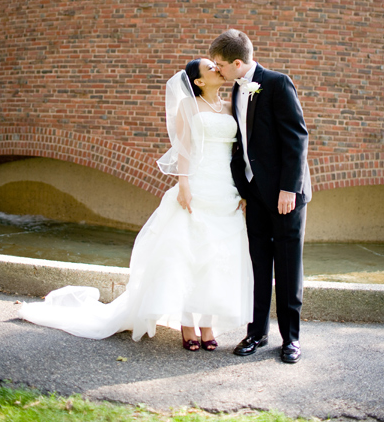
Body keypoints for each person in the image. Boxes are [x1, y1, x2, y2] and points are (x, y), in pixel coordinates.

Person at [19, 59, 253, 351]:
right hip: (197, 185)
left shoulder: (231, 108)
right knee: (185, 254)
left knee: (216, 257)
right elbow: (184, 148)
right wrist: (184, 184)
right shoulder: (188, 107)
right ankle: (188, 324)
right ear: (199, 82)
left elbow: (237, 153)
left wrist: (243, 190)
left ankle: (208, 323)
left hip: (224, 190)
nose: (218, 69)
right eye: (211, 68)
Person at [209, 29, 311, 364]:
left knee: (287, 267)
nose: (217, 70)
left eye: (220, 65)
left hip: (285, 196)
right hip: (253, 195)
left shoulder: (278, 83)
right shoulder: (237, 90)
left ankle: (291, 339)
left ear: (238, 63)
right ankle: (257, 333)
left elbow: (297, 138)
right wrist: (243, 188)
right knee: (256, 267)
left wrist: (288, 189)